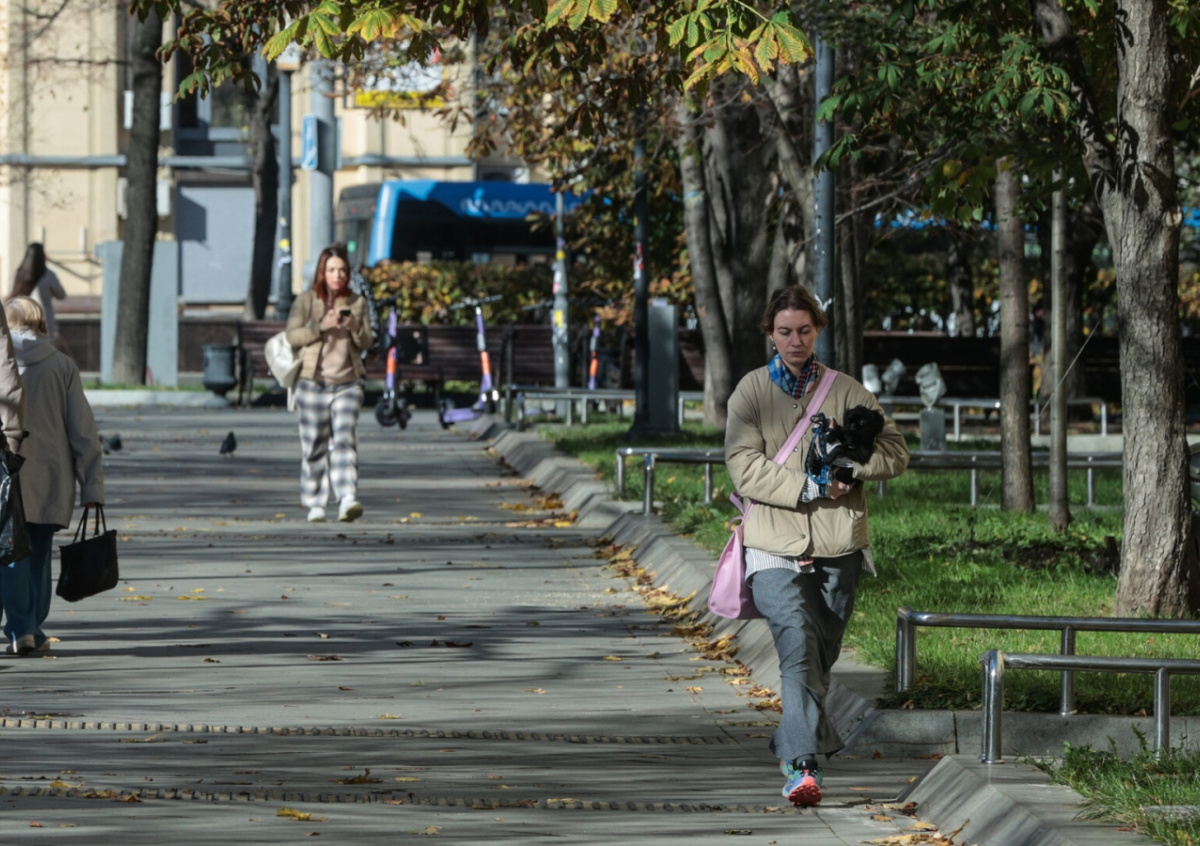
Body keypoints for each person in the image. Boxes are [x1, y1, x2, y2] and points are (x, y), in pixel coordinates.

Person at [724, 286, 909, 807]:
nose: (795, 341)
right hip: (771, 543)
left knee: (820, 655)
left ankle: (793, 739)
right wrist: (808, 487)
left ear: (817, 331)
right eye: (785, 331)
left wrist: (852, 465)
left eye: (804, 330)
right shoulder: (751, 391)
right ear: (770, 333)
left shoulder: (846, 390)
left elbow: (896, 452)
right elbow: (743, 466)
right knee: (797, 644)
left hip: (837, 544)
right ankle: (802, 766)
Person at [1, 296, 101, 655]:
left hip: (7, 474)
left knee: (9, 551)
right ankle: (30, 628)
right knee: (39, 554)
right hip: (51, 478)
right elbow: (82, 430)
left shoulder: (2, 364)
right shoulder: (62, 366)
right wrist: (92, 484)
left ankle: (21, 628)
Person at [285, 244, 373, 523]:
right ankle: (315, 503)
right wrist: (319, 327)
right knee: (314, 444)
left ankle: (347, 497)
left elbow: (367, 341)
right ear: (322, 272)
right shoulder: (306, 300)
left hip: (348, 383)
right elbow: (291, 336)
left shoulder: (357, 302)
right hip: (312, 382)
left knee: (345, 439)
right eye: (332, 270)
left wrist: (355, 327)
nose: (338, 275)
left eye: (343, 270)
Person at [11, 244, 67, 350]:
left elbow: (13, 294)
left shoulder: (19, 274)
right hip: (44, 319)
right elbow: (61, 295)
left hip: (21, 318)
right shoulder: (48, 275)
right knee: (45, 351)